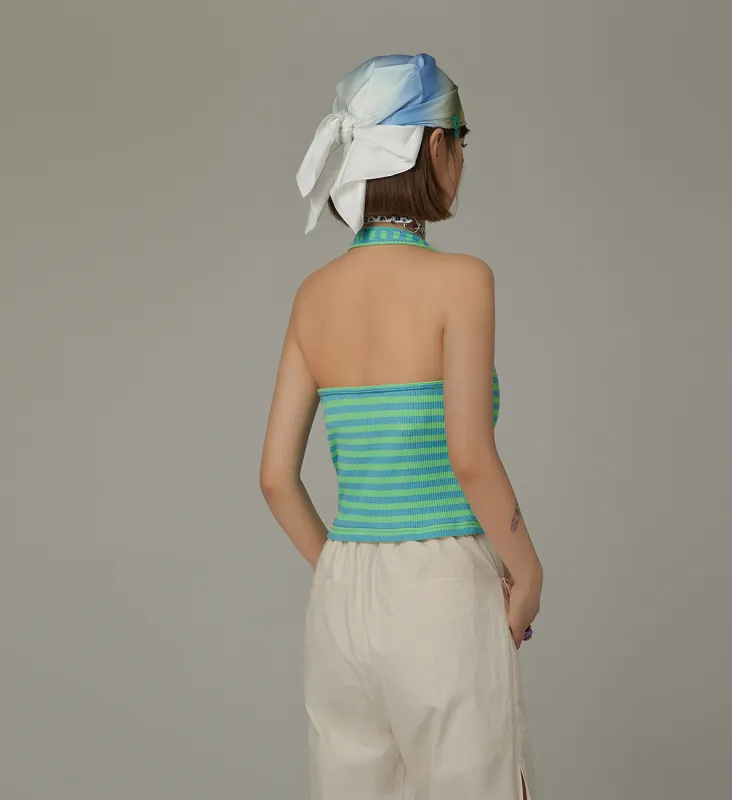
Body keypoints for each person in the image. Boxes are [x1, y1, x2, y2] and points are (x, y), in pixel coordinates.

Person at [260, 53, 543, 800]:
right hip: (439, 589)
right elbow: (469, 454)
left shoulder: (313, 294)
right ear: (434, 145)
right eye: (461, 138)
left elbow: (275, 478)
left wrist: (342, 567)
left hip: (342, 594)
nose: (463, 158)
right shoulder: (462, 281)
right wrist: (528, 571)